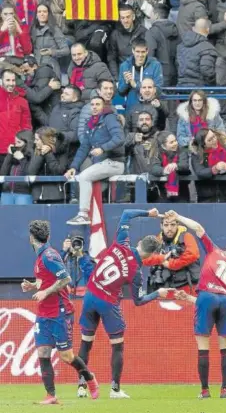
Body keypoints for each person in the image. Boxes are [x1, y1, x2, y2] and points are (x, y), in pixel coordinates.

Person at [76, 208, 169, 398]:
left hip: (90, 294)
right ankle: (115, 389)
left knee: (86, 343)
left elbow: (125, 213)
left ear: (139, 242)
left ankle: (81, 386)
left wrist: (148, 213)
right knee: (117, 345)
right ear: (150, 256)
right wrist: (158, 293)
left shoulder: (122, 242)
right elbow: (139, 300)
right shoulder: (136, 272)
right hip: (107, 302)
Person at [21, 220, 99, 404]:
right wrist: (33, 286)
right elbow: (47, 280)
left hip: (60, 312)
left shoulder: (48, 255)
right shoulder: (41, 255)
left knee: (67, 356)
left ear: (31, 238)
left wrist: (45, 292)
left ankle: (90, 378)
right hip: (44, 314)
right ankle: (51, 395)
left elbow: (66, 278)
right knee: (43, 353)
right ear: (47, 237)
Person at [167, 210, 226, 399]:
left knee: (203, 346)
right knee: (225, 347)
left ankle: (204, 390)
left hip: (207, 297)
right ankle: (225, 390)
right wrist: (190, 299)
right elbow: (218, 292)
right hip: (225, 300)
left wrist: (178, 217)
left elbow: (199, 228)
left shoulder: (216, 251)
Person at [65, 96, 125, 225]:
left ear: (103, 106)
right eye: (92, 104)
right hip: (102, 163)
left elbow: (120, 138)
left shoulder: (109, 118)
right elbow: (84, 147)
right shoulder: (90, 123)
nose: (94, 107)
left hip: (115, 162)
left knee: (84, 177)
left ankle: (83, 214)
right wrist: (73, 167)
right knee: (83, 176)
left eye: (98, 104)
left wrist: (102, 148)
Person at [144, 212, 200, 295]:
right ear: (161, 226)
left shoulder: (186, 236)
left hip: (186, 288)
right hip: (163, 289)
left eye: (173, 225)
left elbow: (193, 254)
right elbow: (144, 259)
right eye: (166, 225)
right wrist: (161, 259)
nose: (169, 228)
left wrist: (171, 264)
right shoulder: (157, 240)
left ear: (177, 225)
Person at [191, 128, 226, 202]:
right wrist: (215, 169)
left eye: (214, 136)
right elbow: (200, 172)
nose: (214, 140)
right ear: (203, 145)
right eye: (210, 140)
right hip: (207, 197)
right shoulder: (197, 154)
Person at [118, 38, 163, 112]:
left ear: (147, 51)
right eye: (137, 52)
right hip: (131, 108)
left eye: (143, 52)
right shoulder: (125, 66)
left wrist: (136, 85)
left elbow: (158, 90)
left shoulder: (155, 65)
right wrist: (126, 83)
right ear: (133, 51)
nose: (140, 55)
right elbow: (121, 92)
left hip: (150, 109)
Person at [0, 69, 32, 170]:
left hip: (16, 150)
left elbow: (26, 126)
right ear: (1, 81)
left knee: (10, 184)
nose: (11, 83)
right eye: (8, 80)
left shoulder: (22, 101)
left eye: (13, 80)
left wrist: (24, 144)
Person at [107, 4, 146, 81]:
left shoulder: (143, 32)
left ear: (133, 17)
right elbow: (112, 58)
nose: (125, 20)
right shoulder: (115, 34)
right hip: (123, 75)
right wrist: (117, 78)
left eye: (128, 17)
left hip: (140, 75)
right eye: (122, 18)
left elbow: (148, 56)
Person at [149, 131, 190, 202]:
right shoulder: (157, 154)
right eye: (171, 142)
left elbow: (185, 165)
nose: (175, 143)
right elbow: (154, 168)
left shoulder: (182, 151)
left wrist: (175, 166)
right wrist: (165, 170)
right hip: (163, 193)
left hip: (181, 192)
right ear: (163, 146)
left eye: (175, 140)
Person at [177, 18, 217, 87]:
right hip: (200, 90)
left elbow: (177, 65)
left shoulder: (181, 46)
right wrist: (213, 83)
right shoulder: (207, 47)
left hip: (181, 87)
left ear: (193, 28)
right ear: (207, 30)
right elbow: (206, 70)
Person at [0, 129, 33, 205]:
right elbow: (3, 173)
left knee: (23, 216)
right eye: (15, 142)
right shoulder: (13, 156)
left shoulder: (32, 156)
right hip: (7, 193)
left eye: (19, 142)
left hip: (24, 193)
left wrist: (22, 159)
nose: (16, 145)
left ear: (27, 143)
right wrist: (9, 155)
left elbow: (29, 172)